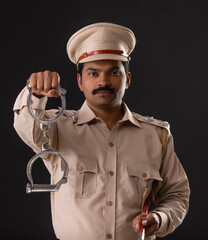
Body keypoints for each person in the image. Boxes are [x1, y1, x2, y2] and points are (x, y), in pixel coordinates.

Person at [13, 22, 190, 240]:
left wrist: (160, 218)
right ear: (79, 81)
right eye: (93, 73)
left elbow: (177, 195)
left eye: (114, 72)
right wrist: (35, 94)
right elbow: (25, 126)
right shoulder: (57, 128)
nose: (104, 81)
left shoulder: (156, 136)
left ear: (128, 80)